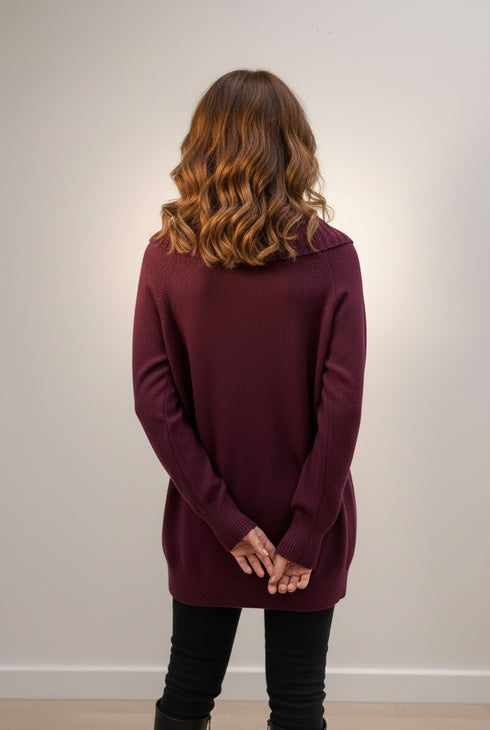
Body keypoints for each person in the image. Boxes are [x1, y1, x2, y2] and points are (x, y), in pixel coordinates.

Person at [132, 68, 367, 730]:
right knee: (298, 705)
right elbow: (342, 406)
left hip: (206, 518)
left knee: (186, 695)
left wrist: (225, 520)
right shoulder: (332, 256)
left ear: (202, 146)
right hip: (305, 520)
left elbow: (154, 402)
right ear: (293, 145)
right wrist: (307, 528)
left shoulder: (166, 256)